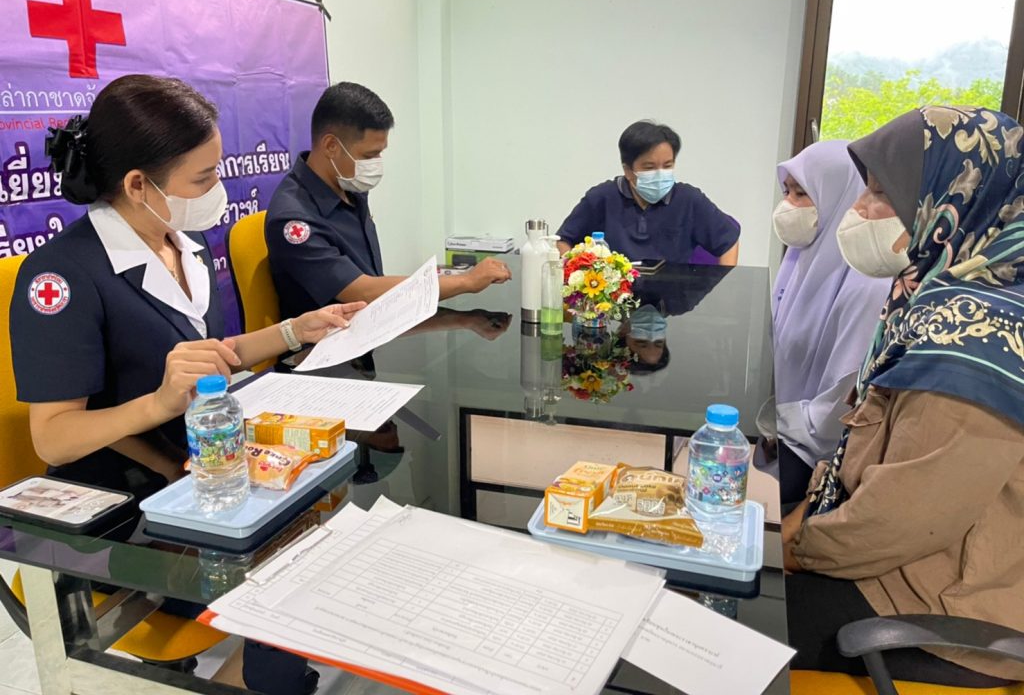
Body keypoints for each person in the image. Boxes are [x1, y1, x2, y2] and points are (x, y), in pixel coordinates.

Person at [9, 75, 364, 694]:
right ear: (138, 185)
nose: (216, 190)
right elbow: (54, 437)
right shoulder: (61, 277)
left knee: (330, 523)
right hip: (123, 509)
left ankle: (263, 674)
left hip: (203, 469)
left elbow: (208, 358)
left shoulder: (181, 243)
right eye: (203, 178)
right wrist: (158, 403)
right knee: (296, 567)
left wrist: (294, 330)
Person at [783, 107, 1024, 687]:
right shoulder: (936, 293)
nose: (859, 210)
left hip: (937, 608)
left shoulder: (975, 338)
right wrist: (800, 520)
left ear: (952, 200)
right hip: (899, 566)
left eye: (881, 194)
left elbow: (901, 519)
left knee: (732, 617)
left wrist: (794, 549)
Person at [266, 82, 510, 318]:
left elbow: (375, 292)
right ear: (331, 146)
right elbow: (363, 291)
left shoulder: (349, 186)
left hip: (372, 326)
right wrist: (466, 281)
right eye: (369, 155)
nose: (376, 164)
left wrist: (462, 320)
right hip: (325, 343)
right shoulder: (294, 219)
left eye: (380, 153)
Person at [769, 141, 890, 505]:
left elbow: (840, 404)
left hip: (820, 448)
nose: (788, 205)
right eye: (787, 191)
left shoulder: (870, 283)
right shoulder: (799, 259)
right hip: (784, 424)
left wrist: (778, 423)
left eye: (801, 193)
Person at [556, 121, 740, 265]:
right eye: (649, 167)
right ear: (628, 170)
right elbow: (563, 241)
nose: (660, 174)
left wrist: (723, 287)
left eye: (667, 165)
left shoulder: (689, 199)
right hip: (615, 298)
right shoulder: (602, 198)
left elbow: (729, 243)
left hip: (674, 298)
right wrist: (579, 278)